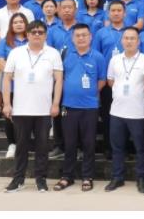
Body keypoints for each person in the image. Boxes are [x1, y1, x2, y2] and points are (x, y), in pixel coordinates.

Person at [1, 20, 63, 193]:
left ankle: (40, 180)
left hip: (44, 110)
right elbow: (6, 79)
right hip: (21, 109)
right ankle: (18, 180)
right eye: (33, 32)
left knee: (42, 147)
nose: (37, 35)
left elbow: (59, 80)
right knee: (21, 147)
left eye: (40, 32)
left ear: (45, 35)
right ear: (27, 34)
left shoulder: (53, 54)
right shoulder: (16, 53)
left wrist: (55, 103)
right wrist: (7, 103)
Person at [53, 24, 106, 192]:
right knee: (69, 143)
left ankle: (87, 176)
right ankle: (67, 176)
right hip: (68, 106)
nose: (81, 38)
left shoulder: (98, 57)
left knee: (88, 143)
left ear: (90, 37)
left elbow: (102, 80)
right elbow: (60, 78)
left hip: (90, 107)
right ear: (73, 38)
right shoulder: (65, 55)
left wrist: (89, 93)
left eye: (84, 35)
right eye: (78, 35)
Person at [105, 27, 144, 194]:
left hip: (138, 113)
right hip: (117, 111)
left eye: (132, 38)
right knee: (117, 147)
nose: (129, 41)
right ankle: (117, 177)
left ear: (138, 41)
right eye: (126, 38)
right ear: (121, 40)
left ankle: (141, 178)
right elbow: (111, 81)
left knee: (141, 148)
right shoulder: (115, 60)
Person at [0, 0, 34, 123]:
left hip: (25, 59)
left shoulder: (27, 12)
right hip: (3, 56)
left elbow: (32, 29)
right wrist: (6, 45)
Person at [92, 0, 128, 160]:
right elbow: (96, 57)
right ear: (108, 13)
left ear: (124, 13)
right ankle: (109, 148)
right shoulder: (101, 33)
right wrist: (101, 79)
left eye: (119, 10)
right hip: (108, 82)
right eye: (113, 10)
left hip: (127, 82)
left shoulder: (131, 32)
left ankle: (124, 148)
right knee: (108, 117)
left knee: (126, 116)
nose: (116, 13)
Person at [46, 0, 79, 159]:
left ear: (75, 10)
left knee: (76, 113)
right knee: (57, 111)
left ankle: (77, 146)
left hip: (76, 75)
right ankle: (59, 145)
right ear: (58, 10)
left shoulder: (81, 28)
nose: (66, 10)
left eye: (69, 7)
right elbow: (48, 52)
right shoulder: (52, 30)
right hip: (56, 76)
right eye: (63, 7)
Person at [0, 13, 29, 157]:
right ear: (11, 25)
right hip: (11, 85)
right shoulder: (5, 41)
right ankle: (12, 144)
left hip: (29, 85)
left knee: (27, 116)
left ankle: (24, 143)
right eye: (15, 22)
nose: (18, 24)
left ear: (26, 24)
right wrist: (14, 75)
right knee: (10, 115)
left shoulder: (31, 39)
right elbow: (0, 61)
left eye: (21, 22)